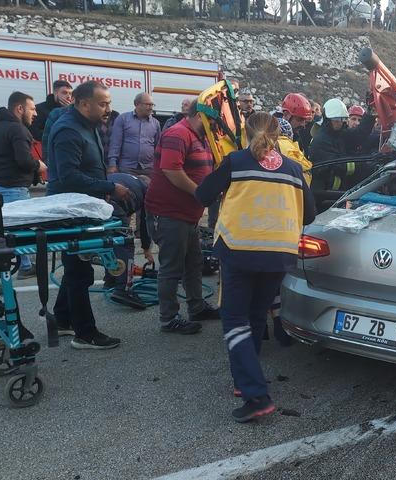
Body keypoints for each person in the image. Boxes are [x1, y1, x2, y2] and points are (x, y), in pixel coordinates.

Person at [195, 112, 316, 422]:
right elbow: (310, 215)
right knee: (255, 316)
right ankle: (244, 378)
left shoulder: (235, 162)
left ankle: (255, 394)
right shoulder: (292, 169)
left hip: (240, 250)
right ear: (278, 136)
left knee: (234, 319)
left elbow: (202, 194)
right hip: (279, 254)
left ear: (245, 134)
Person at [46, 80, 128, 350]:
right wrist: (109, 187)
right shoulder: (68, 130)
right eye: (102, 104)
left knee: (74, 268)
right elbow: (69, 176)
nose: (108, 109)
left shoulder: (87, 125)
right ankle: (85, 333)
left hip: (84, 206)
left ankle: (63, 317)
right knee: (80, 272)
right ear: (83, 104)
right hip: (72, 210)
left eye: (109, 103)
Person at [144, 100, 221, 335]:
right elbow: (171, 170)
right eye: (211, 121)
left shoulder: (201, 137)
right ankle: (168, 318)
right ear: (199, 115)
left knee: (193, 264)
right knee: (171, 268)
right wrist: (200, 193)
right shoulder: (177, 134)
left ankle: (196, 307)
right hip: (169, 213)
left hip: (188, 214)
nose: (214, 126)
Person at [0, 92, 45, 279]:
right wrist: (39, 166)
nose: (35, 114)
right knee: (13, 231)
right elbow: (24, 161)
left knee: (8, 230)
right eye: (32, 109)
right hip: (13, 187)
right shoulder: (18, 129)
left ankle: (24, 265)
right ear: (19, 108)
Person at [105, 172, 154, 310]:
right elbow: (144, 223)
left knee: (109, 242)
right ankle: (123, 289)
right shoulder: (146, 190)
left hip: (99, 199)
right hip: (113, 203)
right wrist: (146, 248)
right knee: (125, 242)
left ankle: (110, 280)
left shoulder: (128, 179)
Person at [308, 98, 375, 191]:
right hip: (323, 194)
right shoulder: (321, 141)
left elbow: (359, 134)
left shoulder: (338, 134)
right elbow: (339, 165)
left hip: (337, 192)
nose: (340, 122)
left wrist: (370, 113)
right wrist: (368, 165)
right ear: (328, 120)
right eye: (337, 120)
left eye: (342, 119)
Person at [107, 93, 160, 176]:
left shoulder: (155, 123)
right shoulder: (123, 119)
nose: (151, 108)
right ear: (136, 104)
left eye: (152, 105)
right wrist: (112, 164)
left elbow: (158, 147)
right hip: (127, 168)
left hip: (149, 169)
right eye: (148, 104)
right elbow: (115, 143)